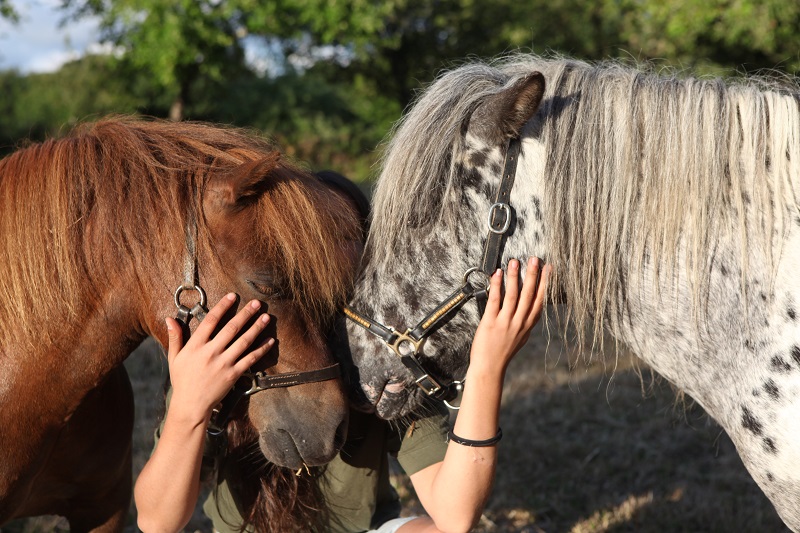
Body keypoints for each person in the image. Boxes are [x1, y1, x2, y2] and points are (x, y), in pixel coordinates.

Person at [134, 256, 551, 533]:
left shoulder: (373, 353)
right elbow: (156, 521)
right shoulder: (229, 358)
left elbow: (455, 514)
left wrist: (487, 367)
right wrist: (188, 406)